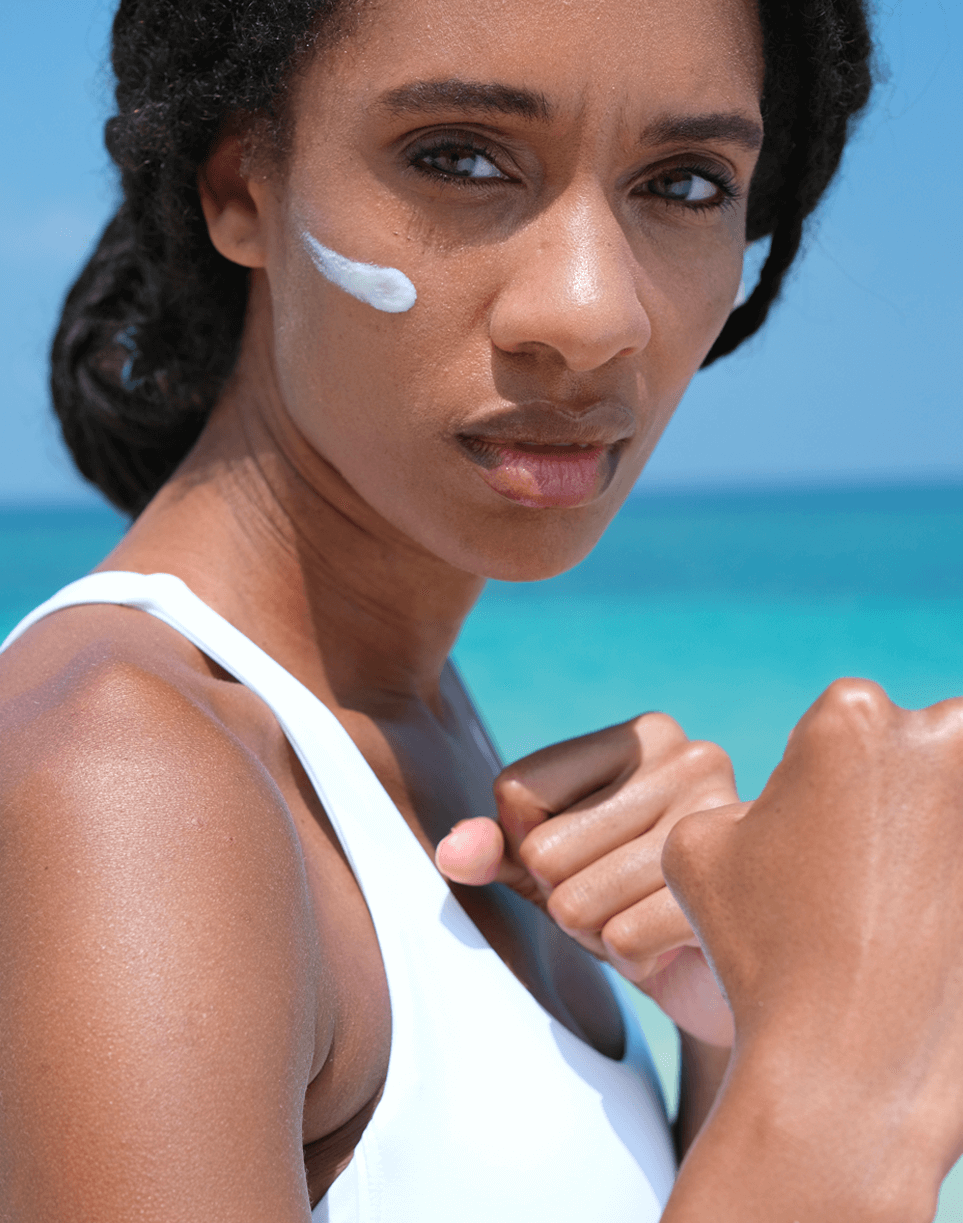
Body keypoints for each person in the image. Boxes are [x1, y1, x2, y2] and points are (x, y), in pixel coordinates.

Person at [8, 0, 958, 1218]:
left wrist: (738, 1024)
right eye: (458, 158)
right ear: (241, 187)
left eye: (683, 182)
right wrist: (842, 1092)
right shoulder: (128, 779)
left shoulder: (407, 733)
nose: (592, 317)